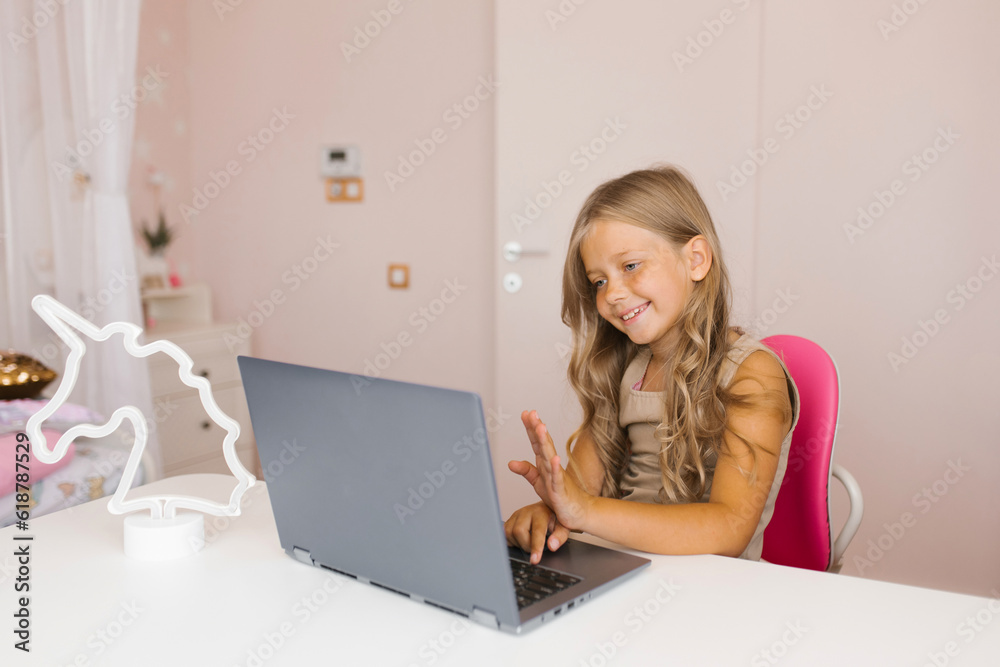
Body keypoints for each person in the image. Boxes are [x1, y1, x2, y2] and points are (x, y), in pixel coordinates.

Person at [504, 165, 799, 564]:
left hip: (710, 592)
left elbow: (730, 528)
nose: (612, 294)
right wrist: (548, 511)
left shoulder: (752, 373)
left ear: (695, 259)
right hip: (619, 570)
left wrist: (583, 512)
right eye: (598, 281)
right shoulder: (626, 369)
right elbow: (576, 494)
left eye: (629, 266)